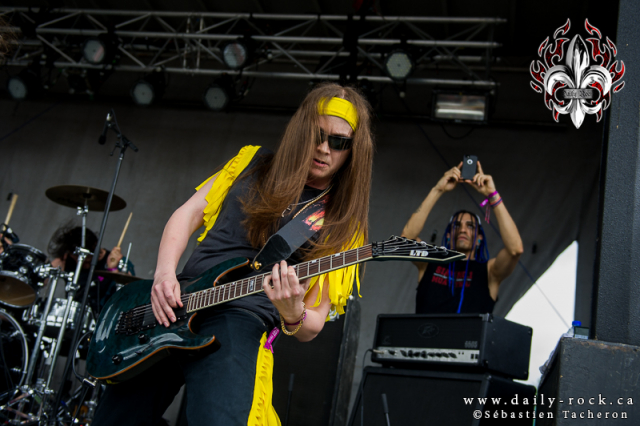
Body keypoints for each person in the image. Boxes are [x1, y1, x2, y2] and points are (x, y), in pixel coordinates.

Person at [92, 82, 374, 426]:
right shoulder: (251, 162)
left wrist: (293, 313)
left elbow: (313, 322)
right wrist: (164, 273)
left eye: (339, 142)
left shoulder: (342, 221)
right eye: (317, 134)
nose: (324, 148)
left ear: (353, 151)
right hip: (176, 302)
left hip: (241, 318)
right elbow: (187, 215)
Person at [401, 161, 523, 314]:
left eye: (470, 226)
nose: (463, 230)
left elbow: (515, 250)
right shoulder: (430, 262)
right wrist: (437, 190)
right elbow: (406, 239)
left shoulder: (489, 272)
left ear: (479, 239)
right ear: (448, 235)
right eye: (457, 225)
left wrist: (492, 195)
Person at [48, 225, 134, 312]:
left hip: (103, 316)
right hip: (71, 314)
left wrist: (112, 269)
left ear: (94, 247)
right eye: (76, 257)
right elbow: (45, 273)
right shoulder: (66, 259)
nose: (80, 261)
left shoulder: (119, 261)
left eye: (86, 258)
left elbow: (130, 295)